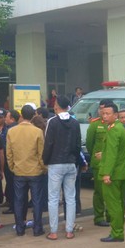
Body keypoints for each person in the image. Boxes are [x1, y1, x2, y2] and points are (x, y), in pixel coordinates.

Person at [42, 96, 83, 239]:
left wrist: (45, 160)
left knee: (53, 198)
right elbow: (78, 145)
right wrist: (76, 161)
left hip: (55, 163)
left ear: (56, 106)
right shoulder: (75, 122)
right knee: (70, 198)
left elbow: (48, 144)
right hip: (71, 163)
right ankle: (69, 230)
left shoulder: (52, 122)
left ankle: (53, 232)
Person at [7, 104, 46, 237]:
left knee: (19, 201)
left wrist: (12, 167)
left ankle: (20, 228)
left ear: (21, 115)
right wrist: (43, 168)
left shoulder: (11, 131)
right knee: (37, 201)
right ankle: (37, 228)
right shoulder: (37, 132)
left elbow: (9, 153)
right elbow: (41, 154)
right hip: (35, 171)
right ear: (33, 115)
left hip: (18, 170)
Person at [97, 102, 125, 242]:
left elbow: (112, 154)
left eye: (108, 113)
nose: (105, 116)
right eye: (103, 113)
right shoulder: (120, 127)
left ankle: (117, 232)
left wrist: (106, 173)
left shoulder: (113, 129)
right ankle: (118, 230)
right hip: (121, 172)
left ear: (115, 115)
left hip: (113, 174)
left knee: (113, 205)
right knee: (119, 204)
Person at [85, 100, 111, 227]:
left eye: (104, 109)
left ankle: (111, 215)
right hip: (99, 163)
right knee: (100, 192)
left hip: (112, 163)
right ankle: (99, 217)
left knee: (111, 191)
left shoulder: (115, 125)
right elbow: (89, 144)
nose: (102, 112)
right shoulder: (95, 125)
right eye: (100, 109)